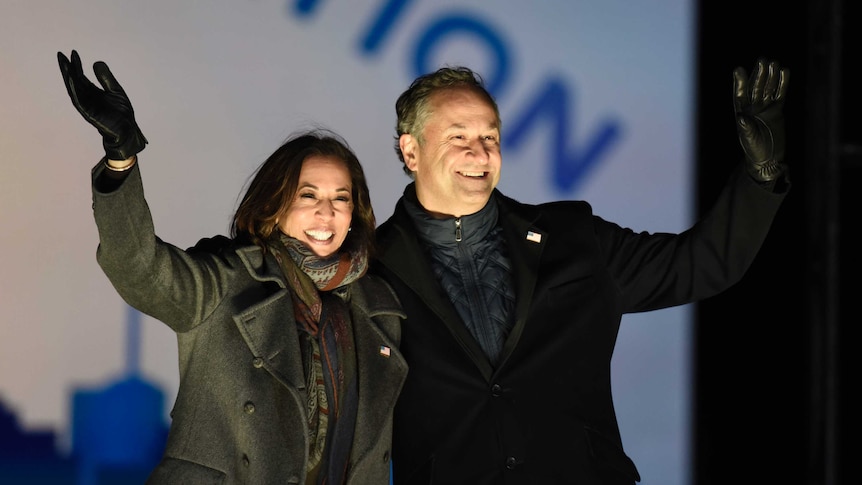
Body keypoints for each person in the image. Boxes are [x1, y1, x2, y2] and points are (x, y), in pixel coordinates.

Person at [372, 59, 790, 484]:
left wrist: (761, 176)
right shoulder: (371, 268)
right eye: (458, 136)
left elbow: (703, 264)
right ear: (411, 150)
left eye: (489, 137)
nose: (479, 153)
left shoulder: (573, 237)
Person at [57, 49, 407, 485]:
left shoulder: (378, 309)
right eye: (308, 195)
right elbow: (139, 268)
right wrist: (121, 160)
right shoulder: (227, 280)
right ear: (276, 207)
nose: (326, 213)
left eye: (341, 198)